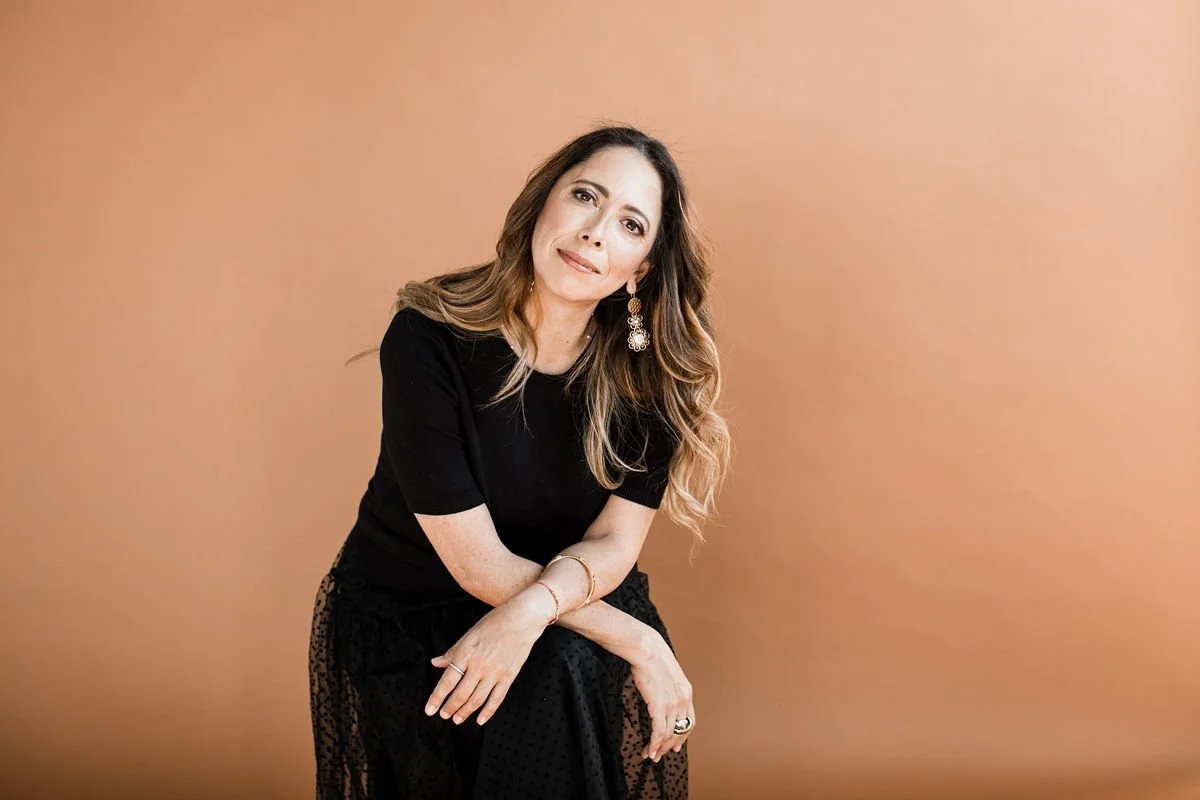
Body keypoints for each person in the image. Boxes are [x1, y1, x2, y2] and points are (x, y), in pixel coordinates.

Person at [309, 125, 731, 799]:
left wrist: (533, 612)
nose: (595, 232)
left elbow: (614, 542)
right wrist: (642, 643)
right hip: (413, 617)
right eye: (585, 196)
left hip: (571, 608)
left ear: (642, 268)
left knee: (560, 659)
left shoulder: (651, 379)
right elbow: (476, 562)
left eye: (629, 224)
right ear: (543, 203)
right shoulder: (428, 336)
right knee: (560, 657)